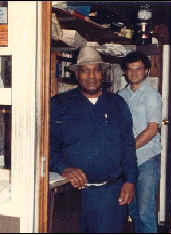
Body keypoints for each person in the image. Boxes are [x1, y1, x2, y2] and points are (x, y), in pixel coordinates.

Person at [50, 46, 137, 233]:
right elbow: (47, 145)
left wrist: (130, 181)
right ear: (76, 74)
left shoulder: (118, 104)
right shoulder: (59, 104)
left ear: (102, 73)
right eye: (85, 70)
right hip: (71, 196)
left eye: (96, 70)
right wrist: (63, 167)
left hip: (110, 195)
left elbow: (128, 146)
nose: (91, 76)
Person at [118, 51, 162, 233]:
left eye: (139, 69)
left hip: (146, 159)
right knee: (133, 210)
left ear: (147, 71)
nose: (134, 73)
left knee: (145, 212)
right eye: (130, 69)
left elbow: (152, 130)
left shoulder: (152, 95)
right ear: (125, 72)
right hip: (127, 162)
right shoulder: (120, 95)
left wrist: (128, 149)